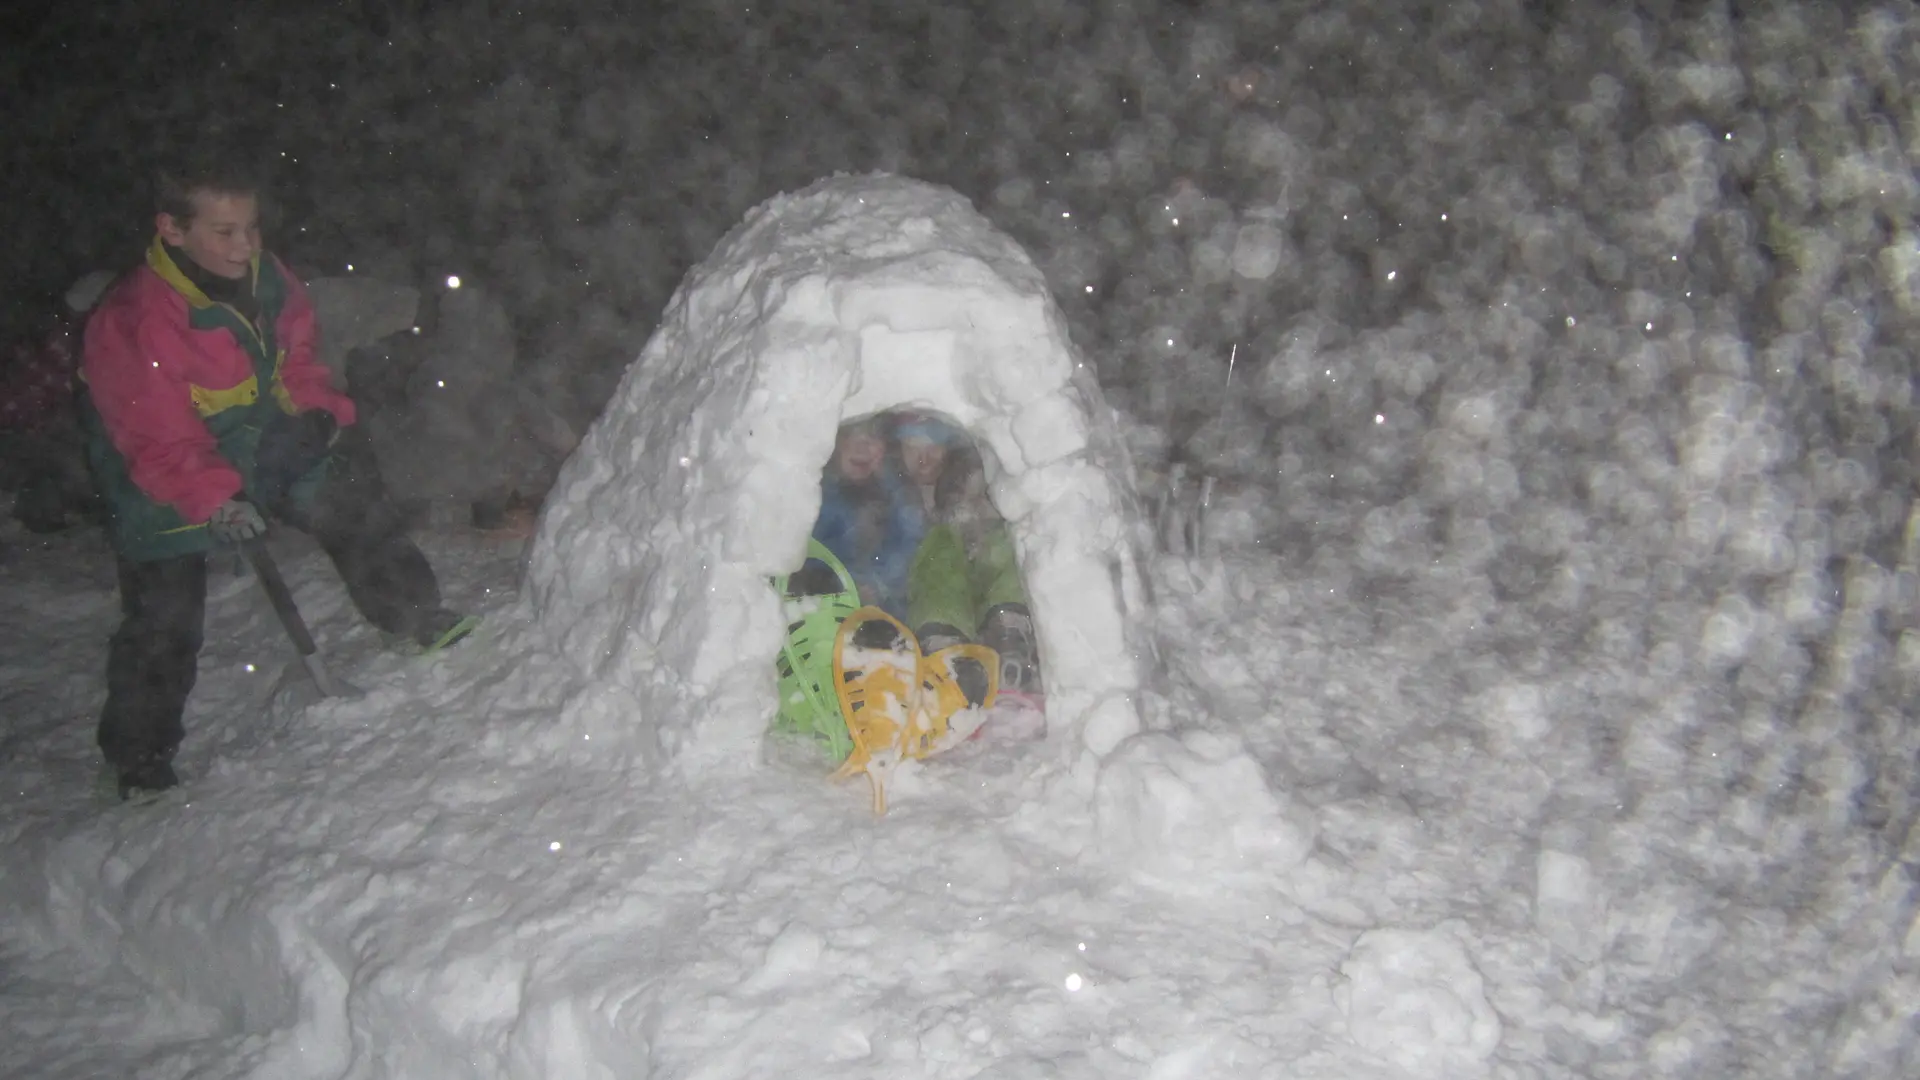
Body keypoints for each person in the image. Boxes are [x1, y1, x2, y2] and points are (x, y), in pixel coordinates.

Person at [79, 159, 478, 800]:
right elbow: (153, 439)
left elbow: (297, 356)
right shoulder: (136, 321)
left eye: (252, 228)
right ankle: (138, 758)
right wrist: (217, 495)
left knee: (345, 494)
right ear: (172, 230)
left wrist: (314, 413)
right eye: (225, 232)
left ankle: (411, 615)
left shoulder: (268, 280)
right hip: (157, 470)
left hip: (254, 435)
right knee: (165, 614)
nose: (246, 246)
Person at [891, 415, 1042, 692]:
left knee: (1005, 546)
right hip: (928, 600)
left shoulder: (971, 481)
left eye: (933, 446)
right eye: (912, 447)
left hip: (982, 589)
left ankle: (1011, 629)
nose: (923, 457)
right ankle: (944, 644)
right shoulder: (891, 493)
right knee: (941, 549)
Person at [0, 281, 102, 533]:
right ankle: (44, 510)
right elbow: (41, 392)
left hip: (34, 424)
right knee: (64, 452)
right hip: (25, 427)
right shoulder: (65, 341)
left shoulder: (70, 337)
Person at [808, 418, 925, 621]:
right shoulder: (815, 497)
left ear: (886, 446)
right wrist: (849, 584)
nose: (862, 447)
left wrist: (880, 584)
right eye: (849, 435)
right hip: (824, 614)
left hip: (888, 615)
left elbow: (912, 546)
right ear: (832, 443)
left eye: (873, 436)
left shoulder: (895, 493)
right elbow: (806, 555)